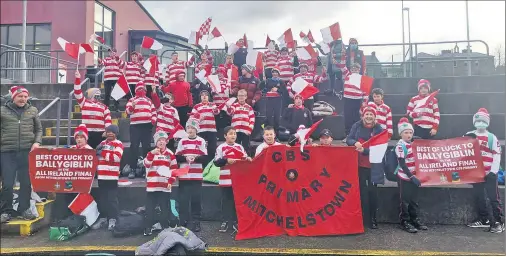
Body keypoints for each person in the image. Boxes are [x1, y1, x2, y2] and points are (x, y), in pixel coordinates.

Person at [0, 86, 41, 223]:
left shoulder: (33, 111)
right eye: (19, 96)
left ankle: (24, 209)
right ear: (13, 97)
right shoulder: (2, 111)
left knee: (26, 183)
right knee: (7, 184)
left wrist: (37, 142)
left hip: (26, 152)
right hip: (7, 152)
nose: (23, 99)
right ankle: (6, 211)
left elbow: (39, 130)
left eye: (25, 96)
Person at [465, 108, 504, 233]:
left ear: (487, 122)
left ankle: (499, 222)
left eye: (483, 120)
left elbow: (497, 154)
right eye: (478, 120)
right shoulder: (469, 135)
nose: (480, 122)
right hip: (475, 173)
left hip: (489, 173)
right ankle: (484, 219)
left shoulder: (492, 137)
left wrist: (493, 171)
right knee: (479, 196)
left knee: (494, 198)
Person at [346, 106, 383, 229]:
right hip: (359, 164)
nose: (368, 116)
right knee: (360, 192)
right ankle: (360, 217)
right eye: (366, 114)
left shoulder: (379, 129)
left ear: (374, 116)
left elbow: (380, 147)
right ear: (363, 115)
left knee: (373, 192)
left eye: (371, 114)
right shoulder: (356, 125)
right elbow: (349, 139)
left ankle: (373, 218)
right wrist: (354, 143)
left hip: (373, 166)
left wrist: (364, 150)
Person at [53, 124, 94, 222]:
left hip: (82, 181)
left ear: (86, 139)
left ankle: (76, 219)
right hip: (70, 180)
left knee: (76, 199)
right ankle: (67, 218)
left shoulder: (89, 150)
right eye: (77, 138)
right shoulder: (72, 148)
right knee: (66, 197)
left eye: (81, 137)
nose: (79, 140)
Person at [214, 126, 251, 233]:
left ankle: (236, 221)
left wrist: (247, 159)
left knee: (237, 201)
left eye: (234, 133)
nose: (233, 135)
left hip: (237, 179)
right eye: (230, 133)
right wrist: (226, 160)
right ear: (225, 136)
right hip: (225, 179)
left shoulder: (240, 147)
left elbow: (244, 159)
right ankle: (225, 221)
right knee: (226, 201)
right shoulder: (221, 147)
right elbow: (216, 162)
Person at [175, 118, 208, 232]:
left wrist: (195, 158)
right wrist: (185, 158)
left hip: (196, 176)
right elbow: (177, 157)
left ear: (197, 129)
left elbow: (205, 158)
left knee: (196, 200)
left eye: (193, 128)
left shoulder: (201, 141)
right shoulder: (182, 141)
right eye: (189, 127)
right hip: (184, 175)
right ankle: (183, 220)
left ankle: (196, 221)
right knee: (183, 199)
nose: (190, 130)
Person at [143, 131, 178, 236]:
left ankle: (164, 226)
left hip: (164, 186)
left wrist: (171, 181)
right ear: (155, 142)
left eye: (163, 140)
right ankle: (148, 227)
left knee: (164, 207)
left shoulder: (170, 154)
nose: (161, 142)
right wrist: (151, 154)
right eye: (159, 140)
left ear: (166, 142)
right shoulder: (151, 153)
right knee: (150, 208)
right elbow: (146, 164)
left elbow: (174, 169)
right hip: (152, 186)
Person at [395, 117, 427, 233]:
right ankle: (405, 222)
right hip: (405, 177)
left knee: (414, 200)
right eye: (406, 133)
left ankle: (414, 220)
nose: (408, 135)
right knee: (404, 201)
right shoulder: (400, 146)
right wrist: (411, 177)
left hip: (415, 176)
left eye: (410, 132)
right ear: (401, 134)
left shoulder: (413, 143)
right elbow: (402, 164)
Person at [92, 125, 123, 231]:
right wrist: (98, 152)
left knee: (112, 199)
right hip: (101, 176)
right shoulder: (102, 143)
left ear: (116, 134)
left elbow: (116, 158)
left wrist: (103, 153)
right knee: (103, 198)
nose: (110, 133)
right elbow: (96, 155)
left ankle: (113, 219)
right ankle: (104, 218)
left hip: (112, 177)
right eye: (108, 131)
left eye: (113, 132)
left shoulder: (118, 144)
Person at [125, 82, 156, 179]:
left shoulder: (149, 100)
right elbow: (127, 112)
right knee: (134, 147)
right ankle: (133, 169)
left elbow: (154, 111)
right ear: (135, 90)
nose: (141, 90)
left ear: (146, 91)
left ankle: (145, 169)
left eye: (142, 89)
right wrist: (131, 107)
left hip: (147, 126)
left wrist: (153, 120)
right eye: (139, 89)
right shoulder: (131, 100)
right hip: (135, 126)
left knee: (146, 147)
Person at [73, 71, 111, 149]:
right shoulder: (85, 102)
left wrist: (107, 131)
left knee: (98, 154)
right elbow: (77, 92)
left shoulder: (103, 107)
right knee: (87, 154)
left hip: (100, 134)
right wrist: (77, 79)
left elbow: (108, 121)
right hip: (87, 133)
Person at [338, 47, 369, 138]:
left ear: (359, 69)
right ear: (351, 69)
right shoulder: (347, 75)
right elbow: (342, 66)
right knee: (347, 118)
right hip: (348, 99)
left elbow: (366, 93)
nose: (355, 69)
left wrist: (364, 102)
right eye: (353, 68)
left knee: (357, 118)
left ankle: (356, 134)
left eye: (357, 68)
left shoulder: (363, 78)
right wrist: (343, 56)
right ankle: (348, 134)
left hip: (358, 100)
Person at [190, 90, 220, 164]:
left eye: (206, 95)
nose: (204, 96)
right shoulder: (196, 106)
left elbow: (217, 112)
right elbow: (191, 118)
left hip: (212, 130)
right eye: (202, 95)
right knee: (202, 148)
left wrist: (215, 109)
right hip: (201, 130)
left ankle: (212, 164)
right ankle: (203, 164)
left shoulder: (212, 104)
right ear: (200, 97)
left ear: (208, 97)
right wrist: (198, 119)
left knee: (212, 148)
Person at [226, 89, 255, 153]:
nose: (241, 97)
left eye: (242, 95)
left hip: (246, 130)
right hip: (236, 131)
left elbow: (252, 118)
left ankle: (246, 160)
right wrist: (228, 107)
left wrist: (250, 129)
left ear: (246, 97)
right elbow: (230, 113)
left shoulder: (249, 107)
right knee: (236, 146)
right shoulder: (234, 105)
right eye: (239, 96)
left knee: (246, 147)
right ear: (237, 97)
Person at [260, 66, 286, 132]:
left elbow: (284, 92)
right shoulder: (268, 80)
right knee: (268, 117)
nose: (275, 74)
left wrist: (277, 90)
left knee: (277, 118)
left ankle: (276, 133)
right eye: (273, 72)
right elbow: (261, 88)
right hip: (269, 100)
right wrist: (263, 82)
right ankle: (266, 131)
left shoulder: (281, 81)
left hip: (278, 101)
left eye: (276, 72)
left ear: (278, 73)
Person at [213, 65, 232, 139]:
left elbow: (228, 89)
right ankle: (217, 135)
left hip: (225, 103)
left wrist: (221, 88)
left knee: (226, 120)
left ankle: (226, 135)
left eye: (221, 72)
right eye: (218, 72)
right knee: (216, 120)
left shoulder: (227, 80)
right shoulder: (214, 80)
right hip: (216, 103)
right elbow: (212, 90)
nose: (220, 74)